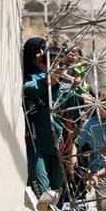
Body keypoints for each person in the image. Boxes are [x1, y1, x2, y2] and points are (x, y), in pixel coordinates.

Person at [23, 46, 82, 197]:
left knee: (56, 189)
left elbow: (70, 125)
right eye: (54, 63)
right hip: (36, 145)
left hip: (57, 148)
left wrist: (71, 154)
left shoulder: (69, 93)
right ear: (43, 66)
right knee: (43, 192)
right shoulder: (30, 88)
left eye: (62, 64)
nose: (59, 67)